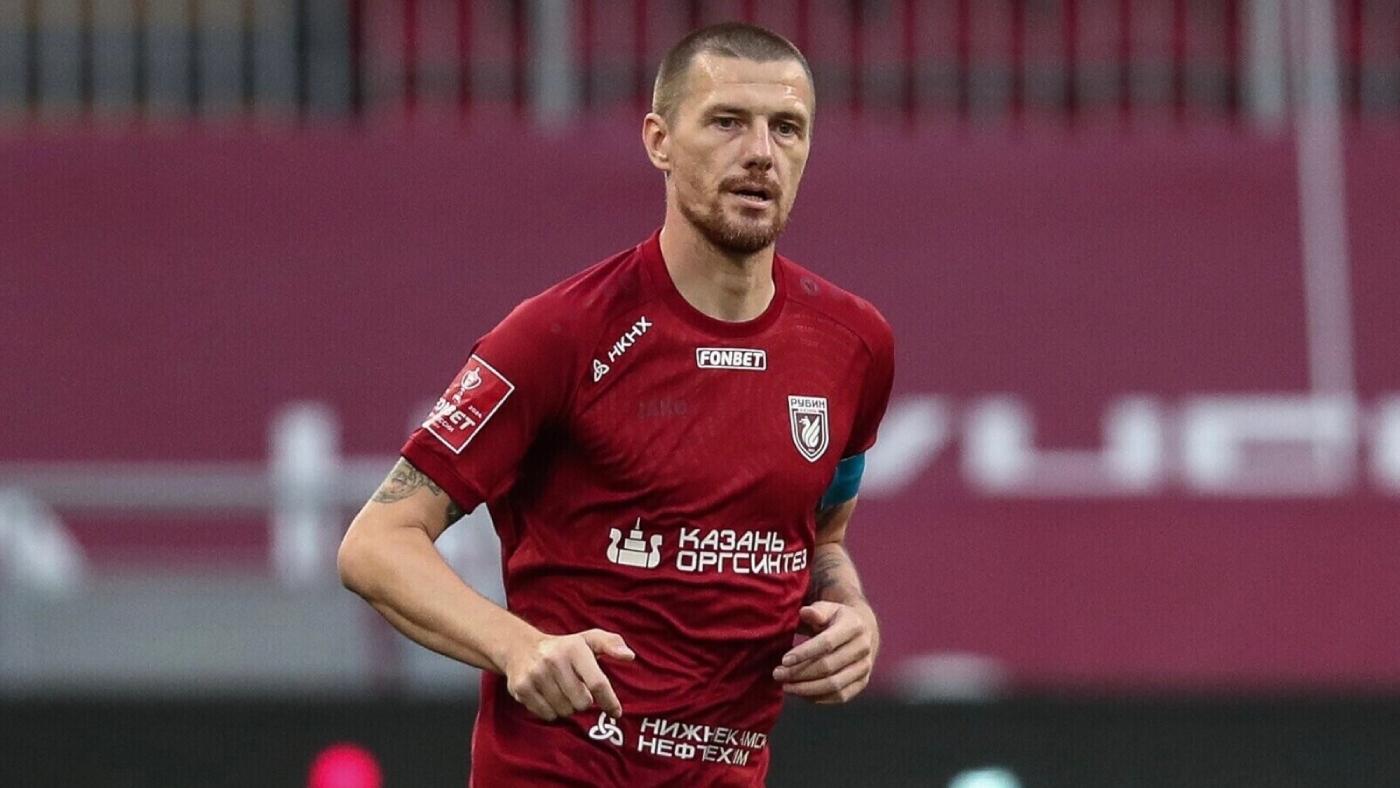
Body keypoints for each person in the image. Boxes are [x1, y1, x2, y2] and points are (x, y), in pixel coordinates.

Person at [338, 21, 894, 787]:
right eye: (727, 122)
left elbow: (820, 538)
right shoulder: (560, 334)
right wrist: (517, 645)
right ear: (659, 141)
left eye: (787, 128)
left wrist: (852, 613)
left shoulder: (854, 345)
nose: (761, 152)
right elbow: (376, 544)